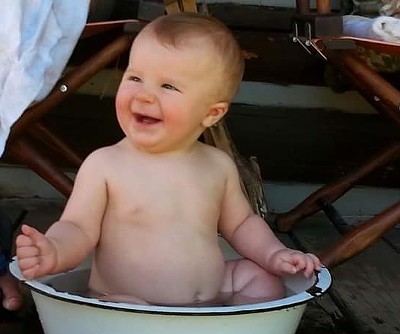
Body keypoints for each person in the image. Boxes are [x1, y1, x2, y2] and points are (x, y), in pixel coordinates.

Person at [15, 12, 321, 306]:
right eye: (135, 77)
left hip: (214, 291)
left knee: (261, 279)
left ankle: (231, 331)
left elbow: (241, 224)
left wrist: (273, 254)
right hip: (129, 298)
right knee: (125, 306)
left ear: (211, 113)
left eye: (168, 86)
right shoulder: (105, 165)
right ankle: (133, 318)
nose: (144, 95)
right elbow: (77, 227)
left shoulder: (218, 165)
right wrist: (54, 250)